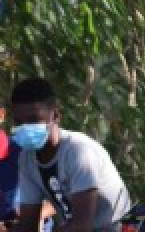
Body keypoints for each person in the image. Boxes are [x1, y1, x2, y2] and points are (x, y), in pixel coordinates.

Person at [9, 78, 130, 232]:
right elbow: (28, 224)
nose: (25, 127)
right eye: (19, 122)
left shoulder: (79, 151)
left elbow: (81, 227)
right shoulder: (26, 159)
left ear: (56, 116)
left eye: (33, 120)